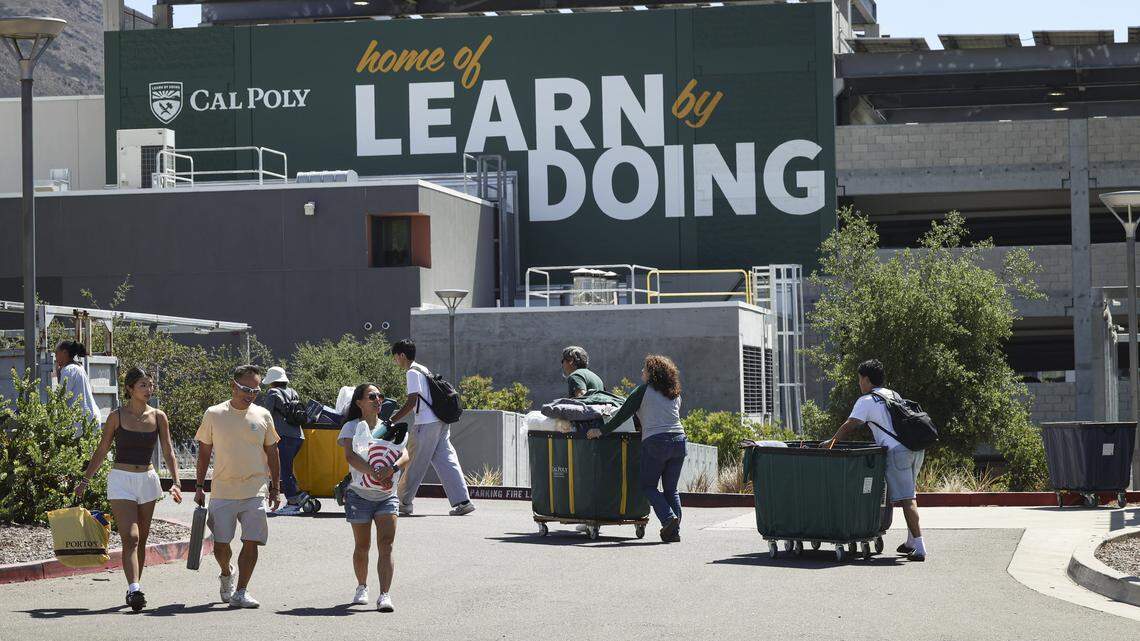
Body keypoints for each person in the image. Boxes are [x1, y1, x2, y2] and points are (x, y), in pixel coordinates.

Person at [75, 367, 182, 611]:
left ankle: (135, 586)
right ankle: (135, 589)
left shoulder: (158, 416)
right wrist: (85, 480)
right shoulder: (117, 416)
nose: (148, 389)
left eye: (150, 384)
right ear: (130, 389)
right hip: (121, 480)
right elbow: (102, 450)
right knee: (130, 537)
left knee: (141, 539)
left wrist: (175, 482)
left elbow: (168, 451)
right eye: (143, 385)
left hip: (147, 479)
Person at [194, 365, 282, 608]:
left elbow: (273, 453)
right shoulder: (213, 414)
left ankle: (241, 590)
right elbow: (204, 453)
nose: (251, 394)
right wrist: (199, 486)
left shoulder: (263, 415)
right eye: (246, 389)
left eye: (256, 390)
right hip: (223, 490)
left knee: (251, 540)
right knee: (221, 545)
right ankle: (226, 573)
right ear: (233, 385)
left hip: (255, 490)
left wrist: (275, 488)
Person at [823, 359, 927, 562]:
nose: (859, 383)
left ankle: (921, 547)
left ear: (867, 379)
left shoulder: (867, 400)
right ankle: (910, 542)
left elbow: (850, 424)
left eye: (859, 379)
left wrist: (831, 442)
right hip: (915, 449)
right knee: (910, 495)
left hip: (898, 453)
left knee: (907, 499)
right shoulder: (892, 394)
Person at [588, 355, 687, 543]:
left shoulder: (643, 391)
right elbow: (661, 415)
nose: (642, 372)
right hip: (679, 441)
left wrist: (600, 431)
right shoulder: (675, 394)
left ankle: (668, 519)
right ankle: (673, 531)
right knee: (671, 490)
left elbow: (621, 416)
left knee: (648, 485)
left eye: (645, 369)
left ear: (653, 374)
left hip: (657, 442)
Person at [338, 383, 409, 613]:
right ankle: (362, 587)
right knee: (362, 546)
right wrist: (375, 473)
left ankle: (385, 595)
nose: (378, 399)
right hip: (359, 495)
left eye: (380, 395)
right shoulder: (351, 427)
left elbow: (404, 454)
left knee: (386, 545)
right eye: (372, 396)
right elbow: (350, 456)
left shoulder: (390, 427)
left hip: (387, 495)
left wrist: (393, 469)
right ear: (359, 402)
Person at [389, 339, 475, 517]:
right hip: (441, 421)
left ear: (402, 355)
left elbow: (412, 400)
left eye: (395, 357)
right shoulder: (423, 369)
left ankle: (403, 502)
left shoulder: (412, 372)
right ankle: (463, 501)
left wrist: (392, 419)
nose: (395, 361)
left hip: (426, 424)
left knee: (413, 462)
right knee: (447, 460)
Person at [256, 366, 306, 515]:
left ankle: (292, 501)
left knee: (284, 469)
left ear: (272, 381)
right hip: (298, 436)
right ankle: (299, 495)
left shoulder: (272, 393)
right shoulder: (293, 392)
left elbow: (266, 415)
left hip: (283, 437)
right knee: (288, 468)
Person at [56, 340, 100, 435]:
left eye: (57, 353)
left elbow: (62, 396)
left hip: (79, 421)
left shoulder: (69, 370)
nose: (55, 357)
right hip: (91, 417)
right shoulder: (79, 367)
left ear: (64, 353)